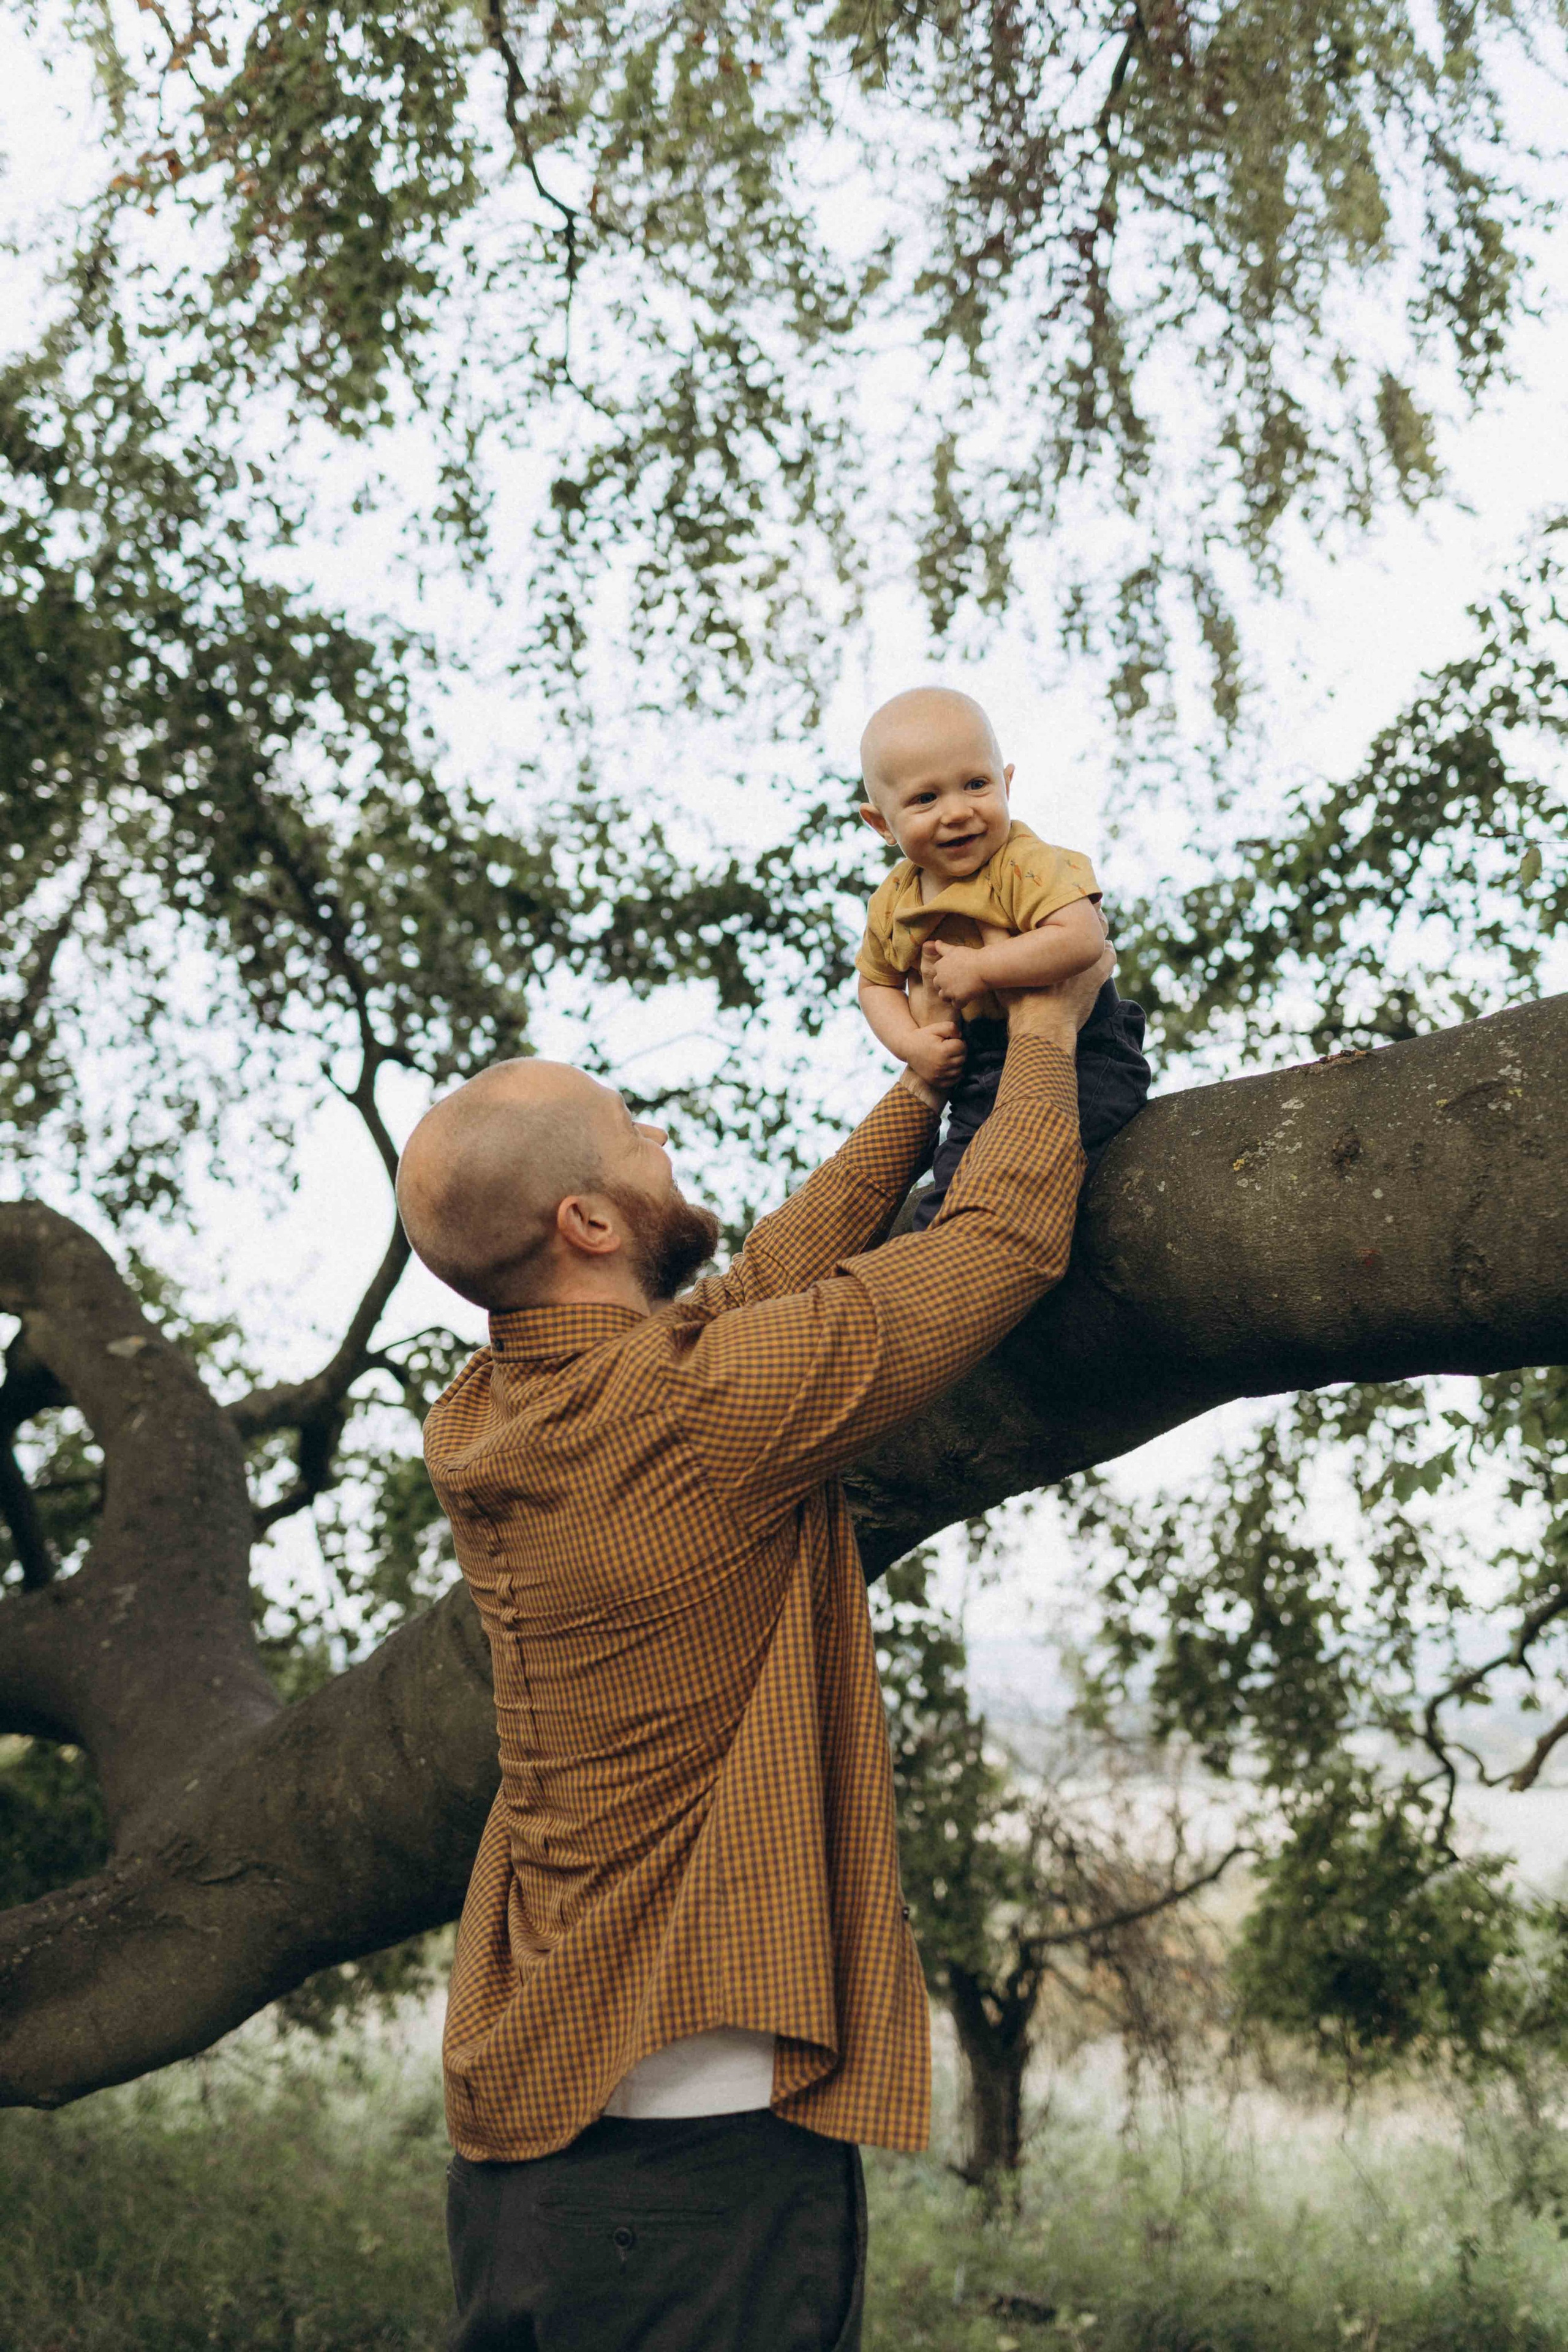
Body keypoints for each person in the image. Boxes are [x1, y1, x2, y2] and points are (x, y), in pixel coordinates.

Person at [395, 938, 1113, 2352]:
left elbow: (742, 1294)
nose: (658, 1131)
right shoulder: (702, 1410)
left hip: (529, 2142)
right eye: (629, 1127)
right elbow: (1001, 1244)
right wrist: (1045, 1030)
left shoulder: (485, 1411)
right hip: (692, 2160)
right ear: (590, 1220)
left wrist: (915, 1095)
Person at [855, 685, 1150, 1225]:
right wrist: (913, 1043)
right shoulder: (893, 901)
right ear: (881, 824)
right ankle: (949, 1263)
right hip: (981, 1067)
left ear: (1006, 784)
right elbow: (875, 984)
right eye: (926, 799)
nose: (958, 811)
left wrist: (981, 968)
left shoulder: (1022, 862)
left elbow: (1082, 937)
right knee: (957, 1181)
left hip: (1086, 1047)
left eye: (976, 784)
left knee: (1041, 1165)